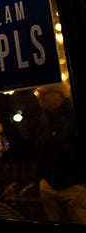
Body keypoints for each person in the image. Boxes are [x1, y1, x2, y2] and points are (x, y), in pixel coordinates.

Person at [34, 81, 86, 224]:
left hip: (73, 185)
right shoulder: (45, 118)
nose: (39, 98)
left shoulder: (72, 115)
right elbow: (41, 148)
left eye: (43, 93)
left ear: (58, 94)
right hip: (49, 184)